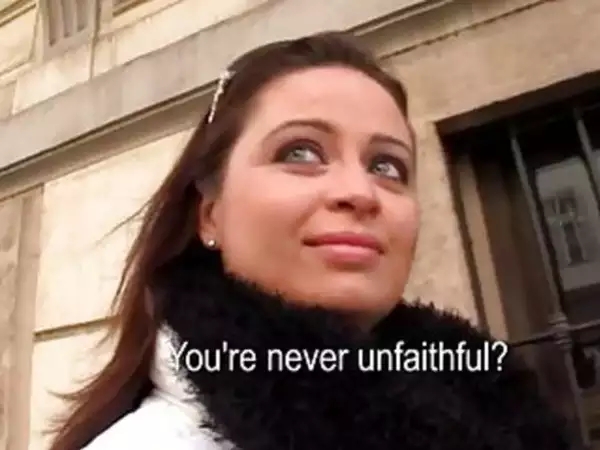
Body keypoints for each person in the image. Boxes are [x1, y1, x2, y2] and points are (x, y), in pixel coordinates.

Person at [48, 31, 572, 450]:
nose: (359, 192)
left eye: (387, 166)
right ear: (210, 216)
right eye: (299, 152)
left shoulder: (495, 411)